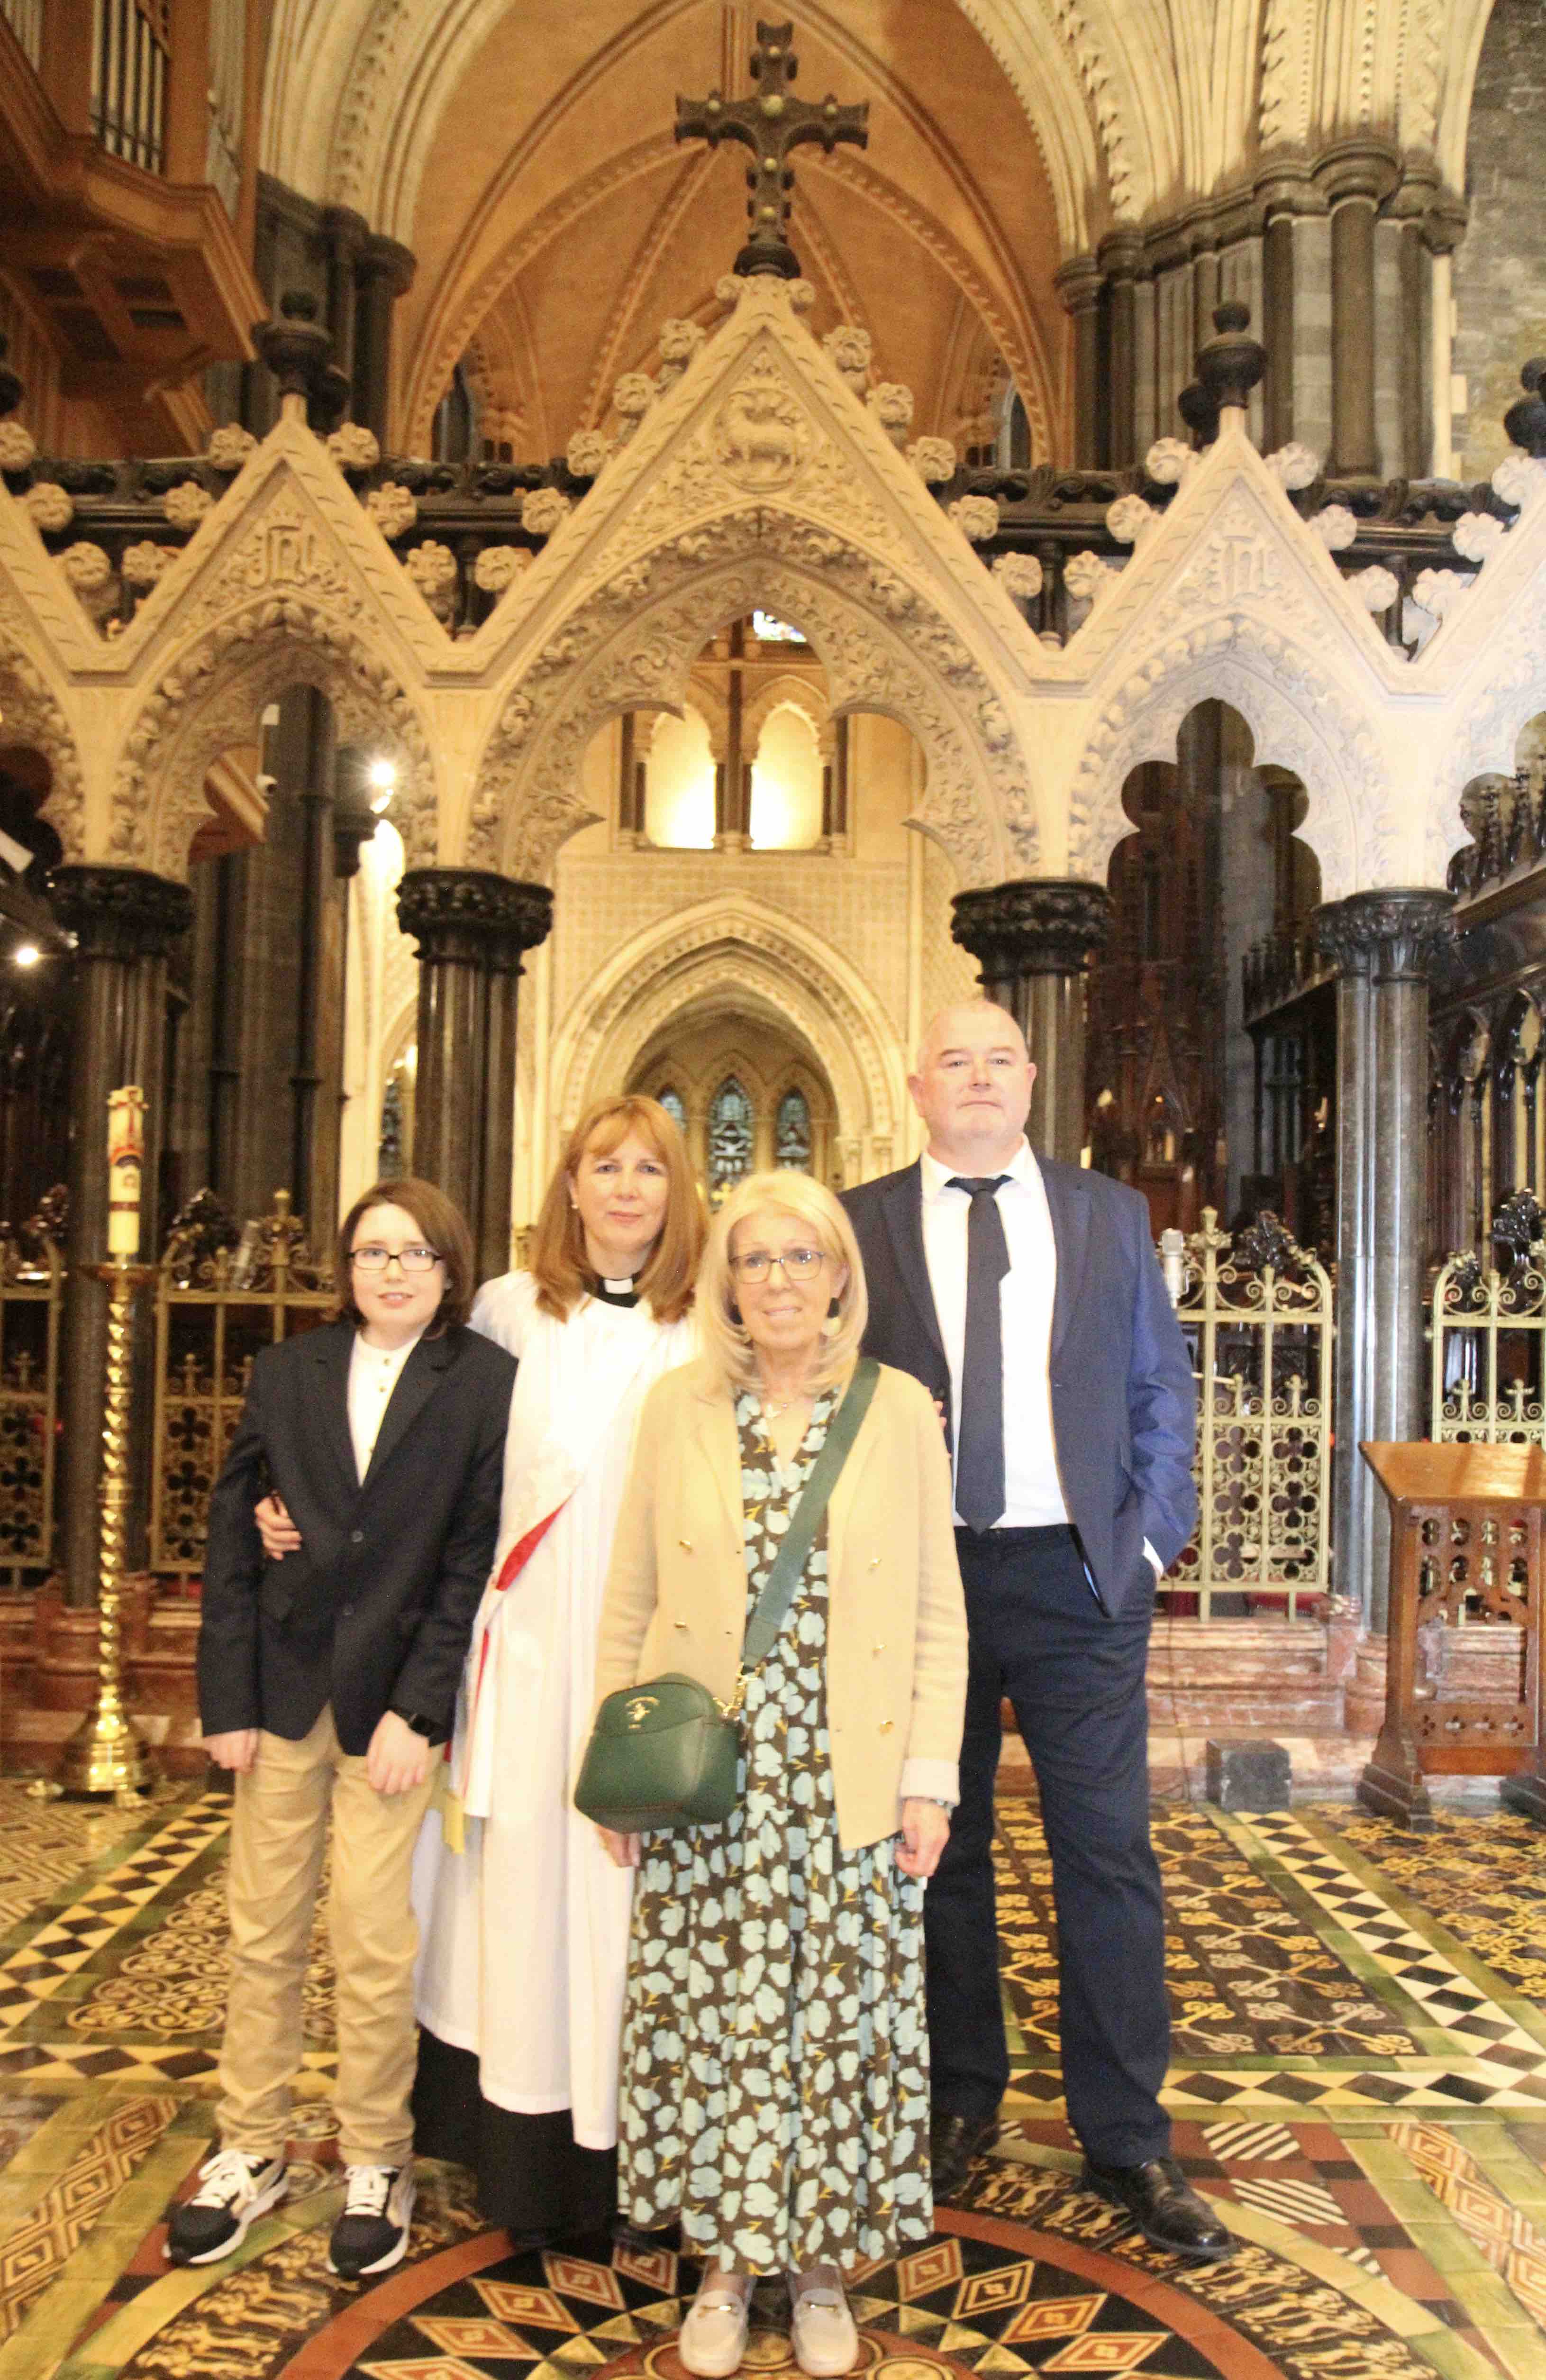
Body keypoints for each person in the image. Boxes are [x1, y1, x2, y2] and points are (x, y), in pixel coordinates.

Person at [842, 1002, 1232, 2262]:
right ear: (915, 1086)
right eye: (951, 1059)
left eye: (997, 1058)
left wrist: (1142, 1539)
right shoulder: (860, 1225)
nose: (975, 1077)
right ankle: (960, 2095)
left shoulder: (1106, 1214)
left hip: (1073, 1577)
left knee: (1104, 1853)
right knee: (932, 1850)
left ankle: (1123, 2131)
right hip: (919, 1579)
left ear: (1029, 1080)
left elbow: (1157, 1388)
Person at [594, 1172, 967, 2379]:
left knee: (832, 2033)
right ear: (725, 1287)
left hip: (844, 1779)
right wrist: (617, 1774)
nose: (777, 1283)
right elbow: (629, 1601)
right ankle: (723, 2264)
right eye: (753, 1262)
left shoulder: (900, 1407)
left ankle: (817, 2269)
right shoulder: (675, 1409)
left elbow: (934, 1611)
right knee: (718, 2030)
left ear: (841, 1275)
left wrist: (928, 1777)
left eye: (800, 1258)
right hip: (714, 1784)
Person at [166, 1179, 514, 2282]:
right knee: (260, 1928)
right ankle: (250, 2144)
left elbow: (470, 1561)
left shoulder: (481, 1384)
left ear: (449, 1270)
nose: (393, 1271)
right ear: (346, 1265)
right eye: (372, 1253)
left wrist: (423, 1709)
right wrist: (227, 1703)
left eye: (414, 1254)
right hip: (281, 1691)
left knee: (372, 1940)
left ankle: (376, 2157)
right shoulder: (289, 1370)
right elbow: (231, 1538)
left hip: (392, 1711)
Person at [408, 1094, 704, 2242]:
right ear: (568, 1187)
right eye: (604, 1166)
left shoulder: (701, 1326)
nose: (626, 1187)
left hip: (648, 1661)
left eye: (649, 1169)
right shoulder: (502, 1313)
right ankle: (529, 2159)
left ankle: (647, 2161)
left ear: (678, 1195)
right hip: (528, 1655)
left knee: (639, 1900)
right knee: (524, 1895)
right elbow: (427, 1466)